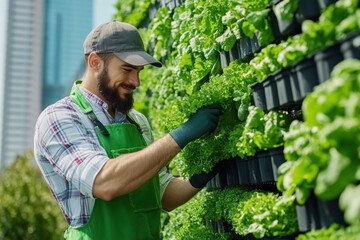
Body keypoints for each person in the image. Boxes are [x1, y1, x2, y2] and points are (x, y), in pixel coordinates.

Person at [34, 21, 222, 240]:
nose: (136, 81)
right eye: (127, 69)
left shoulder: (137, 121)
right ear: (95, 62)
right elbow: (103, 182)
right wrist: (180, 136)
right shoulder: (60, 118)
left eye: (139, 71)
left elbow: (163, 196)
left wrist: (206, 172)